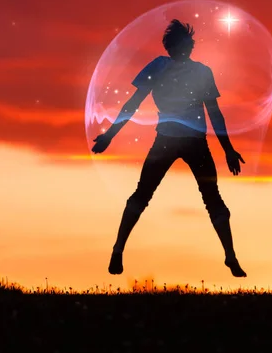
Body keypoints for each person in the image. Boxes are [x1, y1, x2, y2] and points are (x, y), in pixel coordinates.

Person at [92, 19, 247, 277]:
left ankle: (230, 256)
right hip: (174, 141)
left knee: (209, 198)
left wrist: (228, 149)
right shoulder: (161, 66)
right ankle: (118, 248)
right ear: (175, 46)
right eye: (187, 41)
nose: (191, 44)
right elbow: (133, 103)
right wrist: (109, 135)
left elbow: (215, 113)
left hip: (188, 143)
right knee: (146, 195)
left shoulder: (200, 71)